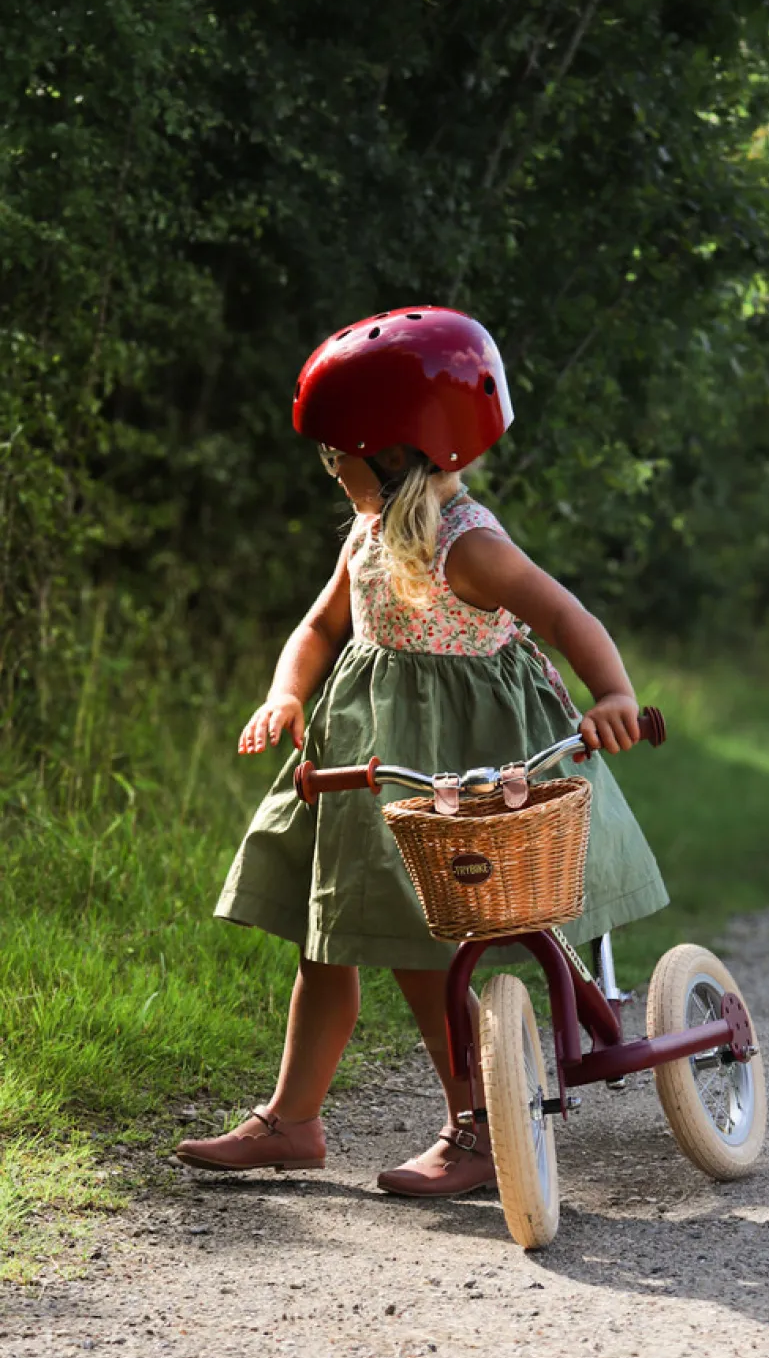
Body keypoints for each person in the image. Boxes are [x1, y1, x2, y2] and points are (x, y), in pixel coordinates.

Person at [175, 306, 669, 1195]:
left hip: (458, 754)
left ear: (395, 454)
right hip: (367, 754)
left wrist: (614, 694)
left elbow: (566, 616)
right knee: (329, 935)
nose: (331, 470)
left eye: (339, 456)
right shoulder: (370, 534)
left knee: (422, 942)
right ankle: (293, 1121)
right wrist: (287, 692)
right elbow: (321, 624)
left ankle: (478, 1125)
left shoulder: (468, 547)